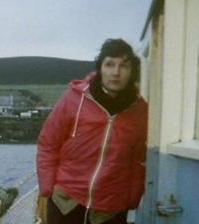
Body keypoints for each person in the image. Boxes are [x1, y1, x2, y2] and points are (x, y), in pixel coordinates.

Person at [37, 39, 148, 224]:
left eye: (124, 66)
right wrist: (48, 188)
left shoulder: (140, 111)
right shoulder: (73, 99)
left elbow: (138, 160)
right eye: (109, 64)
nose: (116, 72)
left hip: (110, 209)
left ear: (132, 72)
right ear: (100, 68)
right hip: (66, 202)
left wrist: (132, 198)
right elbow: (48, 144)